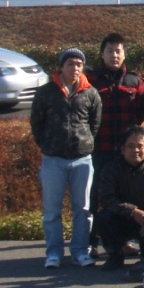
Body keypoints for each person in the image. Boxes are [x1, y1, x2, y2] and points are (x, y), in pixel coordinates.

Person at [29, 48, 102, 268]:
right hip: (53, 160)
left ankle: (80, 251)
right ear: (61, 67)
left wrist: (85, 142)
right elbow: (36, 124)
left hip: (82, 159)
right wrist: (48, 145)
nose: (75, 68)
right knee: (52, 210)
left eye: (79, 64)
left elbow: (94, 123)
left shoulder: (91, 93)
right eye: (71, 63)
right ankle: (53, 253)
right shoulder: (46, 93)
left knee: (83, 209)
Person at [86, 32, 144, 255]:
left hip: (125, 153)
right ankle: (90, 242)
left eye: (119, 51)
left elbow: (140, 114)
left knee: (126, 198)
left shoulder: (135, 82)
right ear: (102, 54)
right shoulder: (89, 80)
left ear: (124, 54)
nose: (115, 55)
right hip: (98, 150)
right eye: (110, 50)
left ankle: (122, 241)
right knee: (93, 198)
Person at [94, 126, 144, 270]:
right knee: (103, 218)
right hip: (120, 219)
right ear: (122, 149)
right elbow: (106, 198)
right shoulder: (111, 169)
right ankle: (115, 256)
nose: (135, 150)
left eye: (140, 146)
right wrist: (132, 211)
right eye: (130, 146)